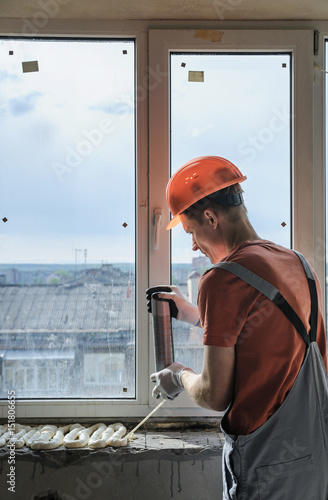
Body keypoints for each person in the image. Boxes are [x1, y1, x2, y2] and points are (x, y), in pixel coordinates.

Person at [148, 156, 328, 500]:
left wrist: (178, 374)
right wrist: (195, 315)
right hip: (316, 455)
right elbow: (270, 333)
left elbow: (215, 395)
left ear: (211, 218)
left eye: (190, 232)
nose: (193, 245)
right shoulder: (299, 264)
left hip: (269, 464)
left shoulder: (221, 279)